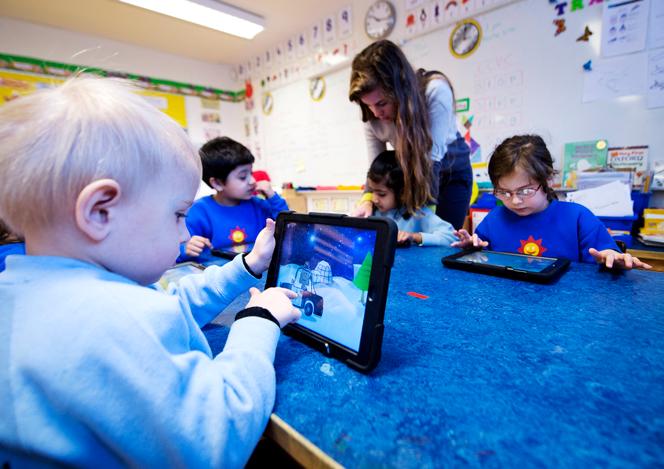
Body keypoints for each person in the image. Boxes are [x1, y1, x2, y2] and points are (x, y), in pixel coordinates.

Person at [0, 76, 301, 467]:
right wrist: (259, 321)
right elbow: (219, 436)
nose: (183, 232)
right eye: (177, 214)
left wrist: (247, 266)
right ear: (100, 211)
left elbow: (167, 303)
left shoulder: (25, 292)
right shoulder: (115, 321)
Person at [452, 135, 651, 270]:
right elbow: (483, 257)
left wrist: (611, 256)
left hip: (566, 309)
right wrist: (472, 249)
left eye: (525, 190)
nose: (514, 200)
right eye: (504, 192)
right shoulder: (495, 218)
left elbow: (606, 253)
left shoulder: (577, 217)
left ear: (548, 179)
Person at [349, 39, 473, 229]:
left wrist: (426, 224)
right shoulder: (371, 114)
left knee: (441, 240)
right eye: (368, 105)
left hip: (448, 173)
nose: (375, 113)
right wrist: (367, 199)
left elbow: (432, 160)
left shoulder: (435, 91)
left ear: (399, 89)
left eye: (381, 103)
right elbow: (376, 166)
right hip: (413, 175)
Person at [182, 137, 288, 261]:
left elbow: (288, 228)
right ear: (217, 183)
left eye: (251, 173)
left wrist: (273, 198)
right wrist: (185, 248)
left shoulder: (258, 205)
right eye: (243, 177)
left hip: (257, 272)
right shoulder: (199, 211)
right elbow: (176, 249)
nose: (252, 181)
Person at [368, 150, 456, 246]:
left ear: (402, 192)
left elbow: (452, 237)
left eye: (381, 194)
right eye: (372, 191)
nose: (374, 199)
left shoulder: (418, 214)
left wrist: (414, 236)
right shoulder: (372, 211)